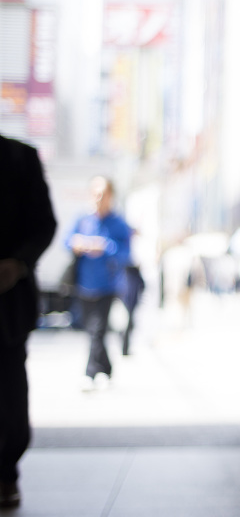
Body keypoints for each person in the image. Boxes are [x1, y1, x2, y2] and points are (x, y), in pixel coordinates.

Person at [0, 135, 57, 509]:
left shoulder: (19, 158)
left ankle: (5, 472)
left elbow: (44, 224)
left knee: (7, 390)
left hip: (6, 299)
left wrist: (17, 263)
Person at [65, 177, 131, 391]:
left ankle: (90, 373)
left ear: (111, 197)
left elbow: (126, 252)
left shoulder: (118, 223)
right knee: (91, 329)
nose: (98, 198)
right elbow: (66, 240)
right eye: (95, 193)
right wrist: (78, 244)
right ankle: (107, 368)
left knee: (97, 329)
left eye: (102, 194)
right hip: (84, 284)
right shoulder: (83, 219)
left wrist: (105, 246)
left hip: (107, 286)